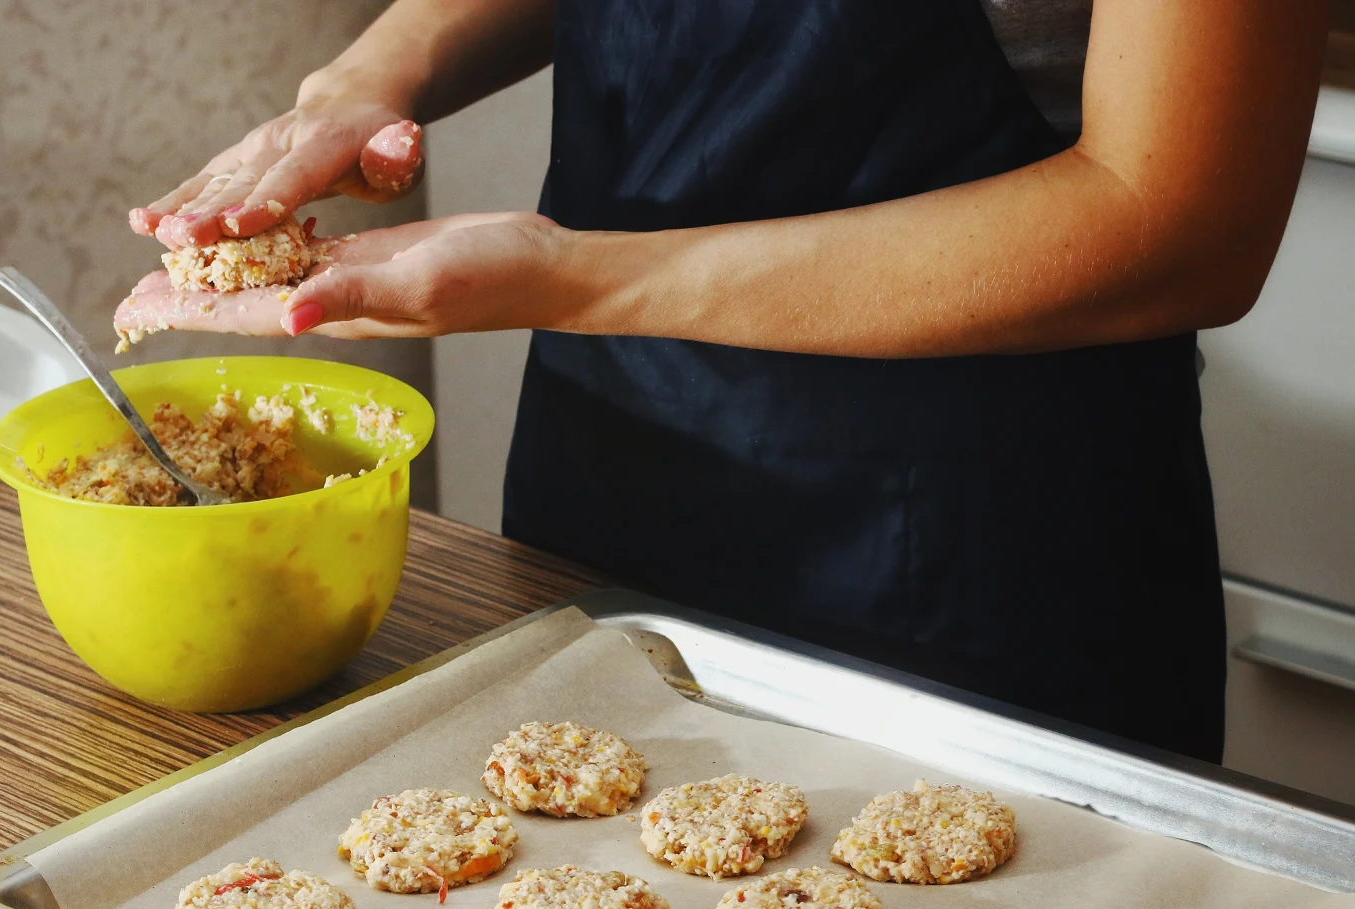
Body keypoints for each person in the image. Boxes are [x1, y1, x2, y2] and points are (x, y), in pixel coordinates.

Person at [118, 0, 1328, 763]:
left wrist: (573, 279)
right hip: (609, 486)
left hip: (976, 560)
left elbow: (1180, 220)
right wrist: (371, 76)